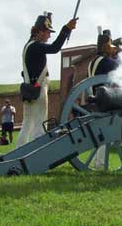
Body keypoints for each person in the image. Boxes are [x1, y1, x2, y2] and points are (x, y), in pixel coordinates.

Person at [17, 11, 77, 147]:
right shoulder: (36, 46)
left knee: (27, 124)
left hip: (30, 89)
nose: (49, 35)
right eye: (47, 32)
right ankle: (34, 151)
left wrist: (49, 20)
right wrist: (66, 29)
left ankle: (19, 151)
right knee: (39, 122)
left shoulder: (29, 45)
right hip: (38, 89)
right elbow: (55, 48)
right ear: (39, 32)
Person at [87, 27, 121, 169]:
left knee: (101, 134)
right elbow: (121, 68)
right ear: (105, 46)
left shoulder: (93, 61)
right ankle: (100, 163)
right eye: (110, 45)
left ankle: (98, 162)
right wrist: (119, 55)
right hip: (106, 101)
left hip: (96, 99)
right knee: (105, 134)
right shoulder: (106, 62)